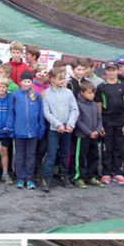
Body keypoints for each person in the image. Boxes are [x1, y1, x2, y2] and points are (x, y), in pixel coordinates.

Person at [41, 64, 79, 193]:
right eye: (59, 79)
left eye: (63, 79)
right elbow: (47, 113)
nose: (62, 81)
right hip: (54, 129)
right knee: (51, 154)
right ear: (51, 78)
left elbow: (74, 109)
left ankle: (64, 175)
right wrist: (58, 124)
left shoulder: (68, 92)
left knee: (65, 153)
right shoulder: (46, 94)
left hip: (67, 128)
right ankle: (46, 178)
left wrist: (70, 124)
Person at [95, 61, 124, 185]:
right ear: (106, 71)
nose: (111, 72)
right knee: (107, 148)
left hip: (121, 122)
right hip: (107, 122)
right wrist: (100, 124)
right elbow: (99, 106)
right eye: (108, 70)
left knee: (119, 147)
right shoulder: (101, 87)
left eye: (113, 70)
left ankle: (117, 172)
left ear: (118, 70)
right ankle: (106, 172)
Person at [7, 70, 45, 189]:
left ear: (32, 82)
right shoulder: (15, 95)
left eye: (29, 81)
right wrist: (11, 129)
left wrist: (41, 130)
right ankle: (20, 178)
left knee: (31, 156)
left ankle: (29, 179)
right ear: (20, 82)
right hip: (19, 133)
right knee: (19, 156)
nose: (27, 84)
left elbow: (40, 115)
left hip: (33, 133)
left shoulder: (37, 96)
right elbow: (11, 114)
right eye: (24, 81)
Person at [74, 81, 104, 188]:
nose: (92, 95)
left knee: (94, 156)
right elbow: (78, 121)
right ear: (82, 93)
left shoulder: (95, 104)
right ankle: (79, 177)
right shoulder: (78, 104)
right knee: (81, 157)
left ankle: (92, 176)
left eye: (93, 93)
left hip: (94, 136)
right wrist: (89, 132)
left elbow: (100, 119)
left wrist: (97, 130)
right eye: (89, 93)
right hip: (82, 136)